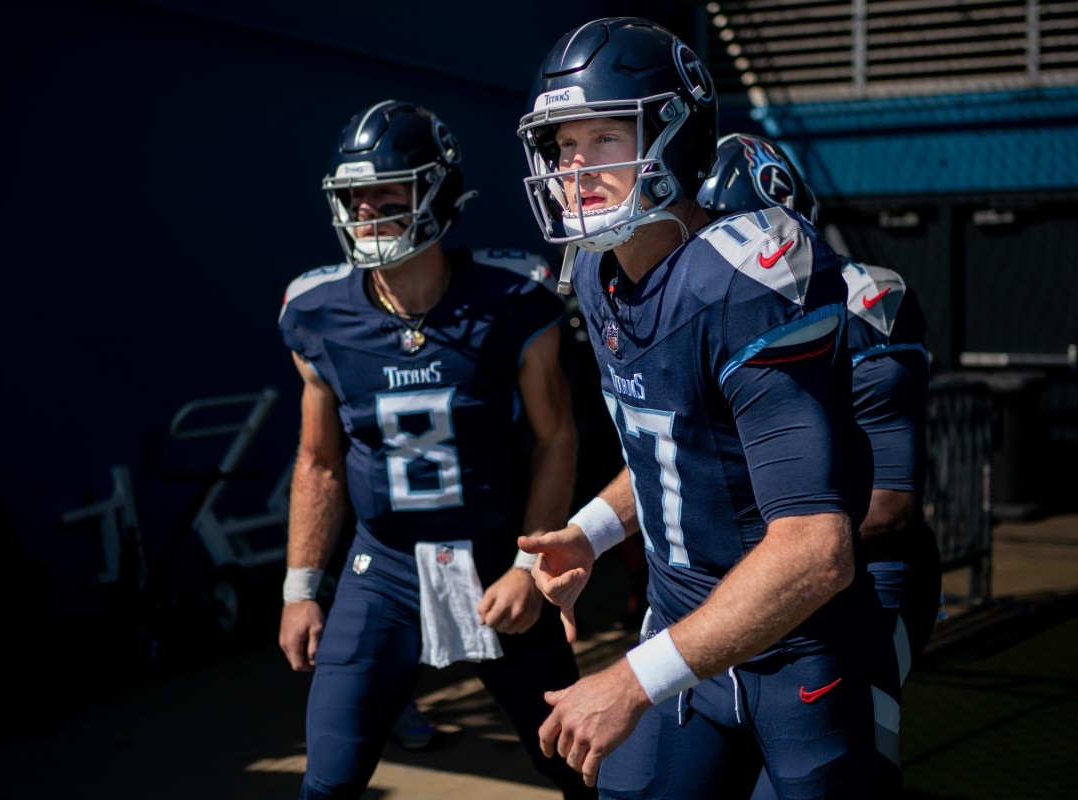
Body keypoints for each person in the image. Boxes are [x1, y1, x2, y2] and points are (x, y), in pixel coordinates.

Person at [515, 18, 898, 798]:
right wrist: (590, 533)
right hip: (683, 635)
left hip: (798, 650)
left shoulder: (740, 281)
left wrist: (629, 681)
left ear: (675, 137)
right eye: (562, 144)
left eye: (602, 136)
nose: (575, 166)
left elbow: (816, 549)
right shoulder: (595, 272)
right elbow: (680, 444)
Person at [277, 99, 595, 800]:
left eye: (389, 195)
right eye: (355, 198)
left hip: (491, 561)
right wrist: (301, 586)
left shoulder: (513, 296)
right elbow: (320, 460)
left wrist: (527, 563)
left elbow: (555, 438)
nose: (368, 213)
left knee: (574, 761)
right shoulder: (316, 311)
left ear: (440, 193)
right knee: (328, 778)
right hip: (383, 567)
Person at [699, 132, 943, 685]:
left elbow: (893, 508)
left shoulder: (868, 302)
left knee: (857, 746)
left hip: (861, 565)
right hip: (756, 569)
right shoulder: (697, 311)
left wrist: (767, 574)